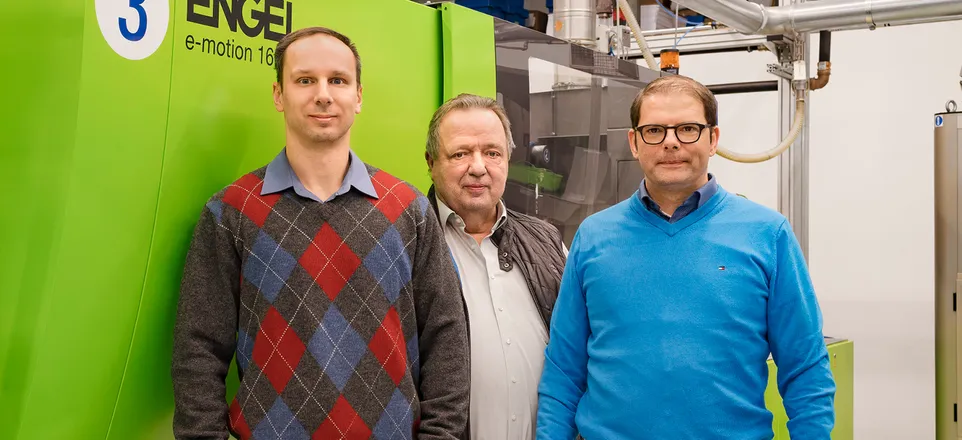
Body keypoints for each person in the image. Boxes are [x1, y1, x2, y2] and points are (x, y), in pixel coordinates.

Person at [171, 26, 470, 440]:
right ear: (279, 94)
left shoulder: (410, 211)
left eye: (338, 80)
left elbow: (447, 338)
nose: (323, 94)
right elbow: (197, 350)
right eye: (305, 80)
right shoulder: (231, 212)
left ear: (359, 96)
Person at [536, 75, 836, 439]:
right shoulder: (594, 236)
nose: (671, 142)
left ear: (714, 139)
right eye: (654, 131)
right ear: (634, 142)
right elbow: (564, 370)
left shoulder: (767, 234)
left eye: (688, 129)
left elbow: (805, 368)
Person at [423, 93, 567, 439]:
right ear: (430, 162)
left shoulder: (547, 241)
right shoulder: (406, 244)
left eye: (492, 152)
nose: (478, 167)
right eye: (460, 154)